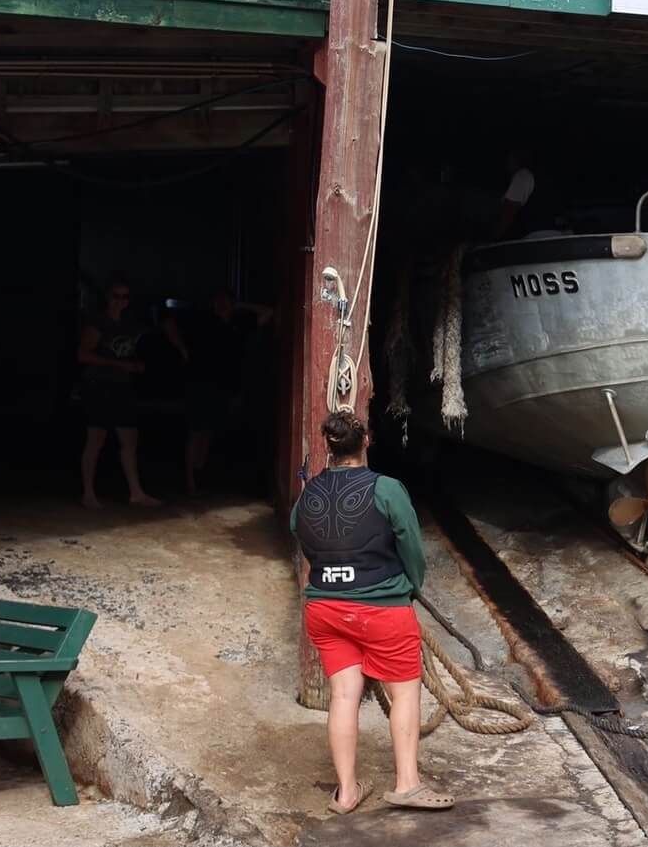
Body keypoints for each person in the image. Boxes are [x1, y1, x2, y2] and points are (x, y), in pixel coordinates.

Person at [291, 414, 454, 815]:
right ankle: (407, 784)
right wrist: (411, 587)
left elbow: (301, 533)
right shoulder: (387, 489)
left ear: (329, 447)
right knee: (404, 692)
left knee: (344, 695)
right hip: (380, 610)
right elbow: (411, 547)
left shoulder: (308, 494)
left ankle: (346, 793)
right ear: (367, 442)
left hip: (325, 609)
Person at [77, 279, 161, 508]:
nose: (120, 301)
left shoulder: (129, 324)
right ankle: (88, 493)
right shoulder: (98, 322)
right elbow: (83, 354)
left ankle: (136, 492)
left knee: (129, 438)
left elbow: (131, 351)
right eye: (116, 295)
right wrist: (116, 365)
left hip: (122, 387)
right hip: (99, 384)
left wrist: (135, 365)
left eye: (125, 297)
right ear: (108, 296)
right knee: (96, 438)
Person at [179, 289, 271, 496]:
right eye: (218, 302)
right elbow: (169, 324)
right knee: (195, 432)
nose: (222, 306)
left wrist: (241, 306)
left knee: (208, 433)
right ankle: (190, 482)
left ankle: (199, 476)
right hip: (199, 384)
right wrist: (182, 351)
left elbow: (268, 313)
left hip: (223, 388)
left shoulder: (239, 326)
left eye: (226, 302)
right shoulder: (203, 324)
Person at [495, 147, 538, 239]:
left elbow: (507, 216)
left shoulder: (522, 176)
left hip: (528, 239)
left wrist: (493, 241)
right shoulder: (537, 176)